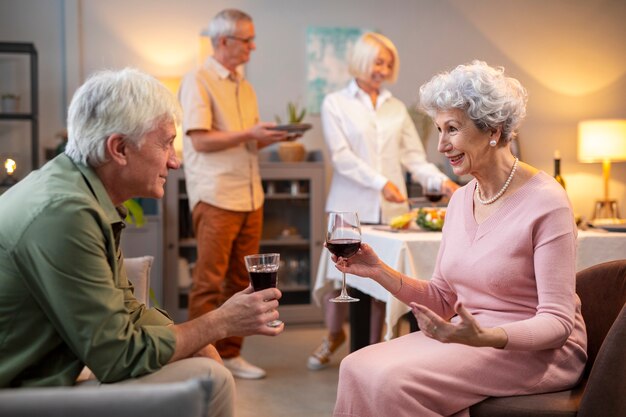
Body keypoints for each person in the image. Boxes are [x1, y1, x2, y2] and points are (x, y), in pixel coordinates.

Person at [0, 68, 284, 417]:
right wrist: (220, 323)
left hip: (43, 373)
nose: (174, 160)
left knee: (202, 364)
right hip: (17, 393)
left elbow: (123, 306)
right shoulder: (66, 213)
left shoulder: (76, 191)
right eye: (165, 142)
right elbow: (118, 355)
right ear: (119, 148)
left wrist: (200, 340)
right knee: (210, 378)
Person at [330, 61, 587, 416]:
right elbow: (442, 297)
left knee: (393, 383)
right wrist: (378, 272)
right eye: (439, 129)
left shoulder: (547, 201)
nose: (441, 145)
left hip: (535, 351)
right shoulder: (462, 199)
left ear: (493, 129)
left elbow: (558, 324)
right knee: (354, 366)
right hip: (467, 336)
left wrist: (486, 338)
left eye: (452, 129)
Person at [308, 32, 458, 371]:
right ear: (361, 61)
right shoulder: (336, 103)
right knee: (341, 277)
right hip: (349, 206)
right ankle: (333, 335)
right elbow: (342, 157)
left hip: (392, 210)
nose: (383, 69)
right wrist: (381, 182)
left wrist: (442, 181)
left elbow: (414, 159)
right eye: (378, 61)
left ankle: (372, 351)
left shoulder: (395, 108)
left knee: (380, 278)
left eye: (388, 63)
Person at [178, 9, 289, 380]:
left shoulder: (245, 85)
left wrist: (269, 139)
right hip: (216, 195)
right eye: (247, 40)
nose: (253, 47)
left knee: (243, 284)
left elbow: (244, 143)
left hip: (249, 195)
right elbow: (199, 139)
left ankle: (230, 354)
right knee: (208, 282)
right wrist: (249, 135)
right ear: (223, 41)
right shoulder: (198, 79)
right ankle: (198, 359)